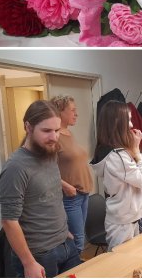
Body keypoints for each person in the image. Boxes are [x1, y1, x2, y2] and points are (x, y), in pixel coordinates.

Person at [0, 100, 80, 278]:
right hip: (39, 255)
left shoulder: (49, 152)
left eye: (57, 130)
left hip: (65, 244)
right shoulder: (15, 167)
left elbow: (50, 197)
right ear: (28, 127)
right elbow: (9, 221)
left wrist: (63, 232)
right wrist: (28, 263)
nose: (54, 137)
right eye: (46, 131)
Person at [91, 100, 142, 250]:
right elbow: (141, 180)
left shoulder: (114, 152)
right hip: (123, 223)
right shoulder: (117, 155)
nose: (130, 125)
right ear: (116, 122)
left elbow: (126, 184)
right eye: (127, 120)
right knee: (122, 266)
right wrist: (137, 152)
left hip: (126, 218)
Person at [51, 95, 93, 254]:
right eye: (73, 110)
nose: (76, 114)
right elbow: (47, 168)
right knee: (77, 239)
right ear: (60, 112)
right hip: (70, 197)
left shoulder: (68, 133)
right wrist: (65, 185)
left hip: (83, 193)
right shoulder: (55, 136)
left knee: (79, 237)